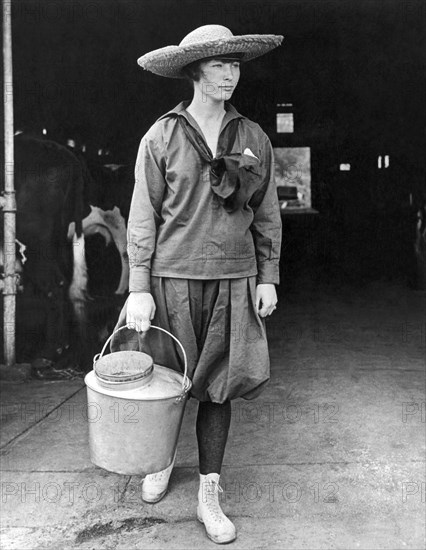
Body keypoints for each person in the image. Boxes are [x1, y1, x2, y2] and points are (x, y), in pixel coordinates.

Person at [113, 24, 283, 544]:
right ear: (194, 71)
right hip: (172, 278)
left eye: (235, 65)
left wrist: (268, 276)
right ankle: (160, 461)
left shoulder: (252, 137)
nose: (230, 74)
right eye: (218, 65)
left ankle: (209, 490)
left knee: (219, 386)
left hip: (234, 278)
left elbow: (266, 213)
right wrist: (138, 284)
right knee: (167, 381)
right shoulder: (162, 135)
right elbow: (143, 214)